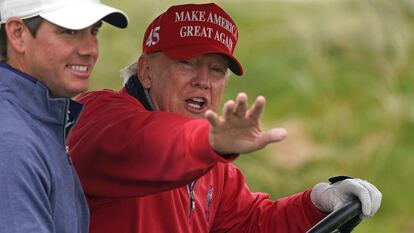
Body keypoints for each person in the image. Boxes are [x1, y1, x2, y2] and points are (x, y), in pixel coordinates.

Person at [67, 3, 382, 233]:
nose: (203, 80)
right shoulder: (100, 115)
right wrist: (210, 143)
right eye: (187, 63)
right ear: (147, 71)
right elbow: (148, 143)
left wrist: (316, 203)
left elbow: (248, 222)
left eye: (216, 70)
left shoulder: (211, 161)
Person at [0, 0, 128, 232]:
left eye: (94, 31)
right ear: (18, 34)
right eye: (69, 31)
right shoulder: (12, 142)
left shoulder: (36, 119)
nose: (90, 50)